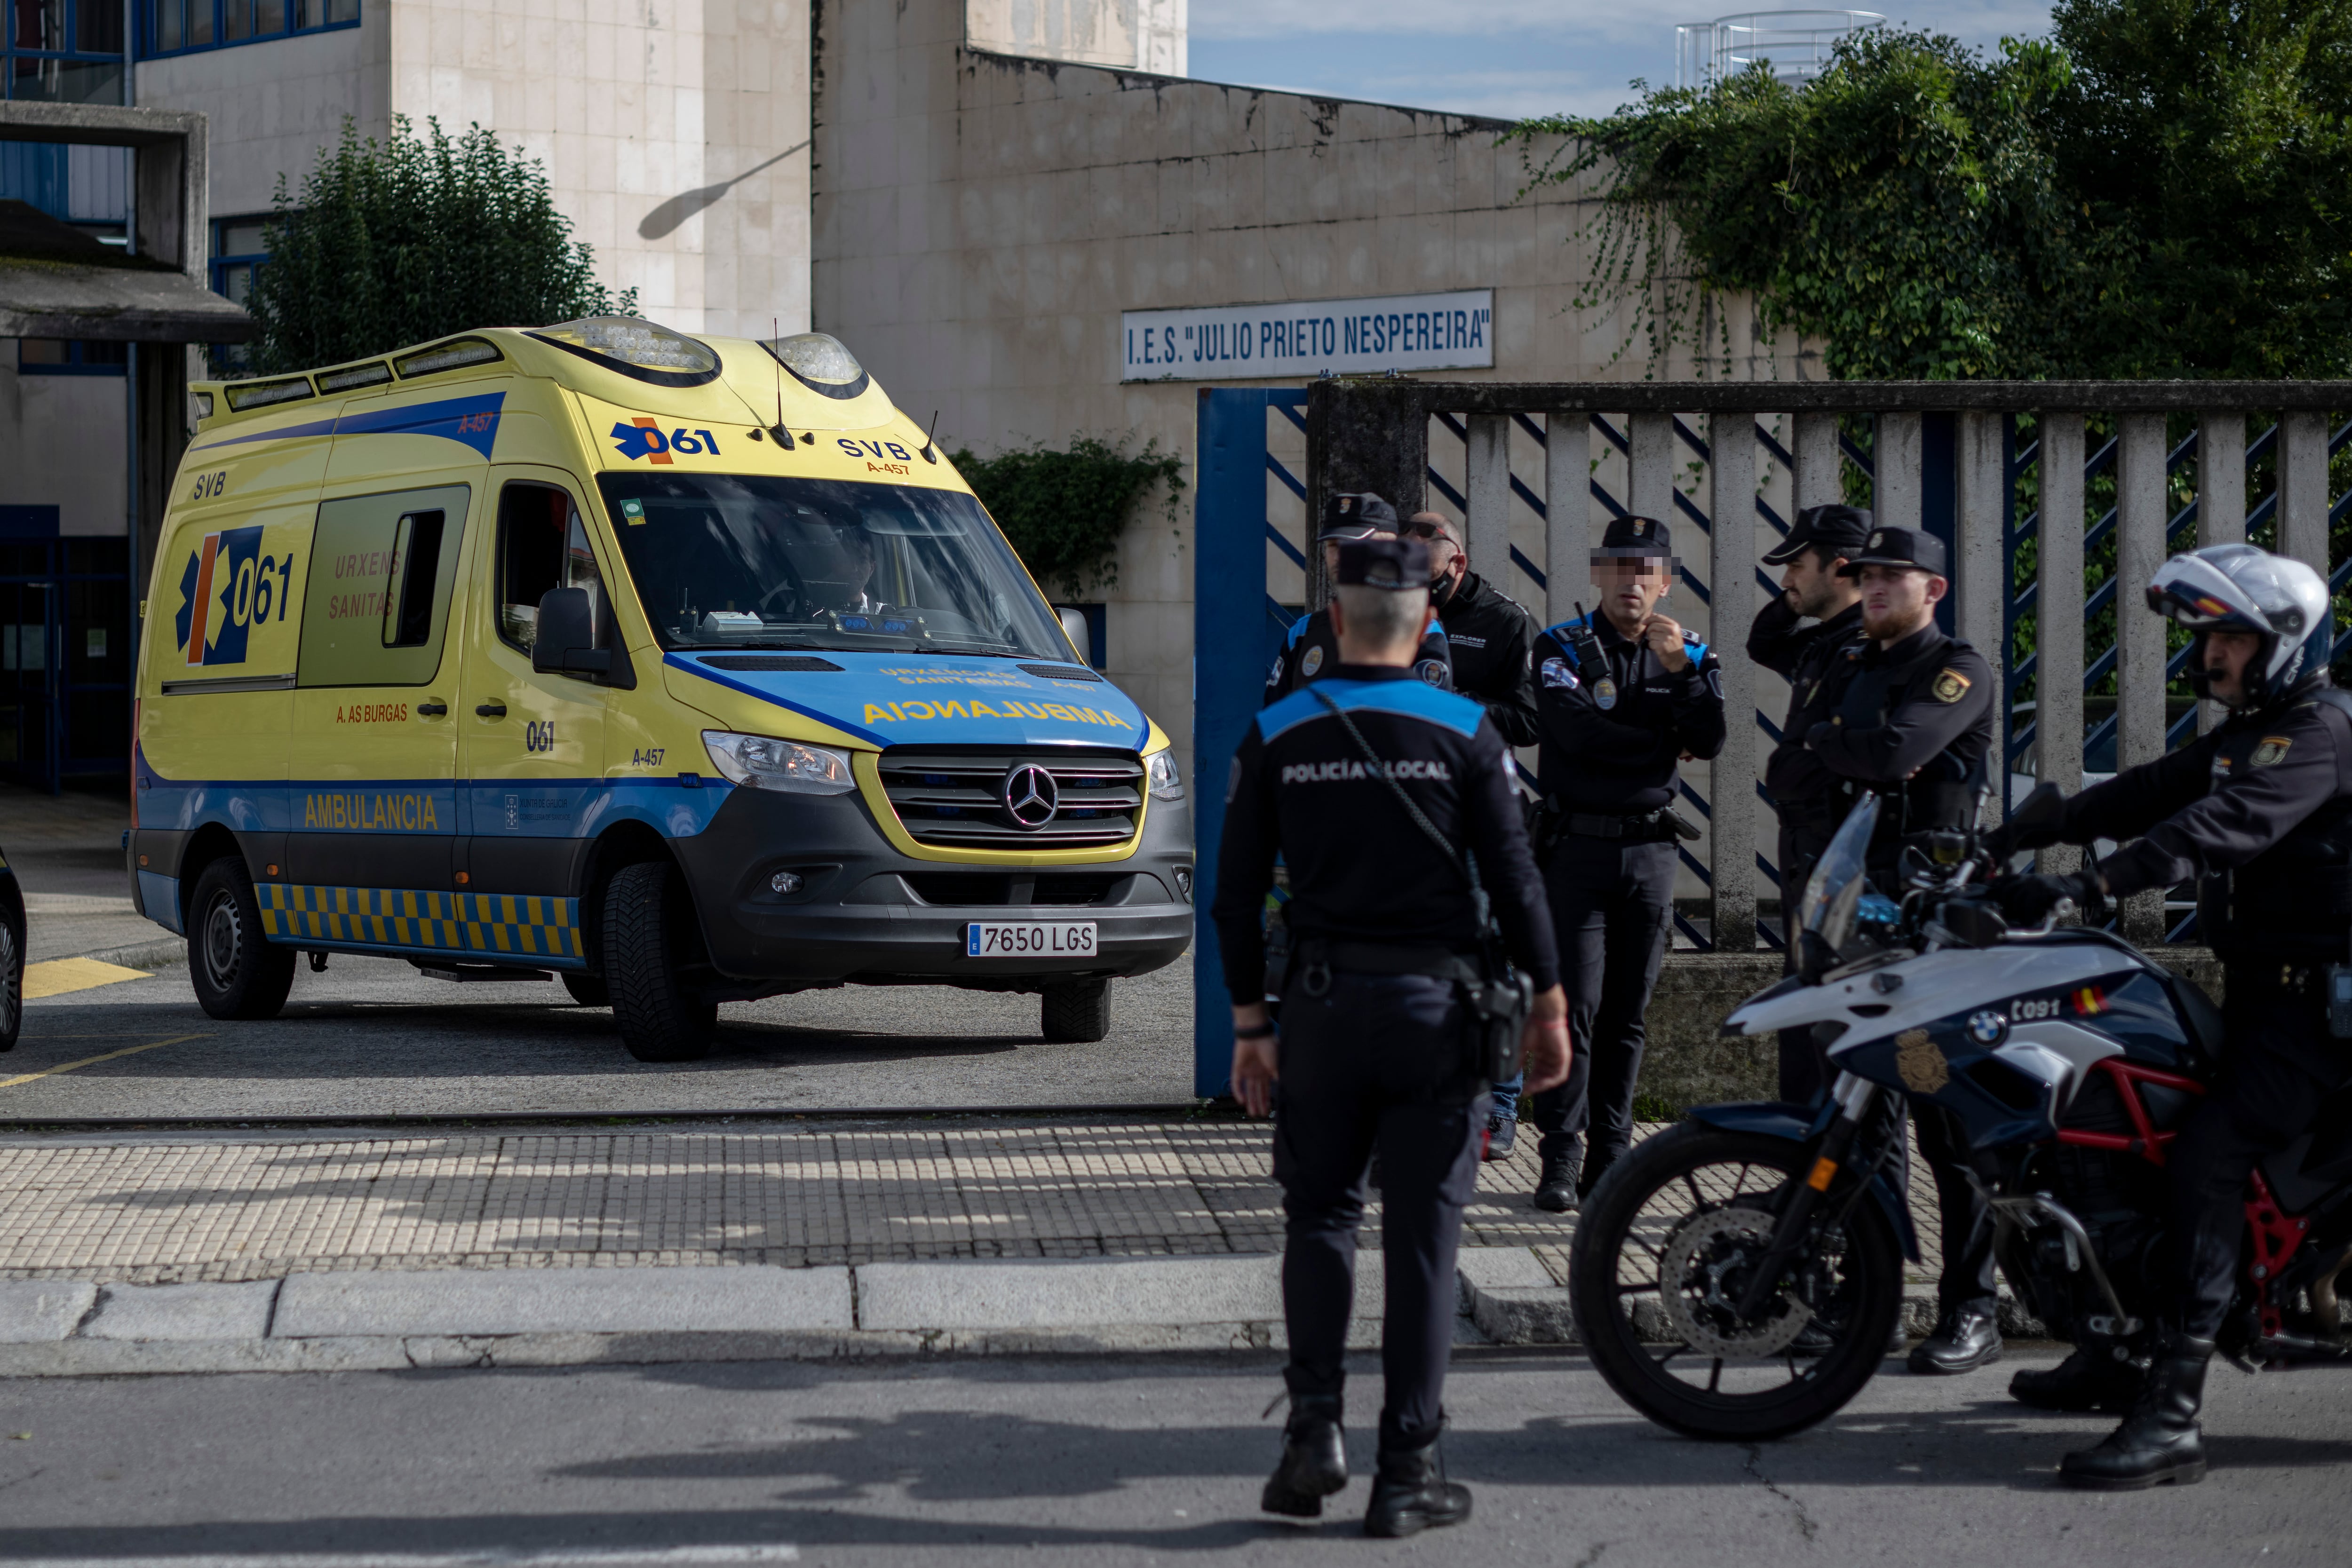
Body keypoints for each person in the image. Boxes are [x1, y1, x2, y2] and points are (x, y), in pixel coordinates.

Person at [1213, 534, 1571, 1537]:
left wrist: (1250, 1022)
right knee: (1422, 1239)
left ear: (1333, 621)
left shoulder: (1277, 731)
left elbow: (1234, 899)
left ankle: (1312, 1432)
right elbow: (1516, 880)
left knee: (1320, 1216)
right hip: (1439, 1017)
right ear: (1425, 627)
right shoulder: (1466, 730)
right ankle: (1406, 1469)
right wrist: (1548, 1008)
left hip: (1322, 1013)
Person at [1989, 542, 2352, 1490]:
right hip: (2269, 989)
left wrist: (2092, 883)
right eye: (2207, 635)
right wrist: (2032, 824)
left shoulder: (2317, 732)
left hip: (2318, 1013)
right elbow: (2154, 788)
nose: (2210, 655)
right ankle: (2114, 1345)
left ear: (2281, 639)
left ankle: (2174, 1413)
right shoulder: (2255, 728)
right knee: (2112, 1118)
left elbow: (2218, 826)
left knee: (2206, 1153)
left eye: (2227, 634)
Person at [1799, 523, 2004, 1378]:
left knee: (1947, 1124)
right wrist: (1851, 751)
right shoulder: (1848, 663)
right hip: (1859, 919)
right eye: (1867, 577)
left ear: (1934, 589)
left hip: (1935, 927)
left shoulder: (1957, 667)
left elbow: (1897, 751)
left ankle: (1973, 1304)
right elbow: (1791, 766)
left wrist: (1843, 749)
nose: (1876, 588)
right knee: (1862, 1118)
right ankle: (1862, 1294)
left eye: (1894, 578)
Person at [1521, 515, 1725, 1212]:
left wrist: (1679, 680)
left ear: (1666, 581)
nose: (1631, 580)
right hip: (1576, 850)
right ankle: (1559, 1155)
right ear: (1598, 574)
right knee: (1572, 1009)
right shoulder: (1560, 647)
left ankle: (1610, 1154)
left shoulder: (1689, 651)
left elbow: (1713, 736)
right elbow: (1577, 736)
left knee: (1627, 1014)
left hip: (1650, 852)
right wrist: (1663, 741)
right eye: (1618, 566)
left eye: (1645, 568)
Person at [1402, 510, 1543, 1160]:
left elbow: (1532, 717)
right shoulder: (1396, 613)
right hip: (1411, 815)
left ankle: (1502, 1105)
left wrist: (1455, 703)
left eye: (1421, 557)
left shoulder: (1506, 622)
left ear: (1456, 559)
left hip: (1481, 814)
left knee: (1492, 963)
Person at [1748, 503, 1871, 1105]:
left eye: (1796, 564)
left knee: (1835, 1017)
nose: (1785, 577)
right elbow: (1761, 639)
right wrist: (1798, 596)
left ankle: (1837, 1183)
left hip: (1839, 853)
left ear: (1840, 567)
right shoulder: (1820, 645)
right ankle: (1803, 1170)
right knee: (1803, 1004)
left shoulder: (1866, 651)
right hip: (1804, 851)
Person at [1267, 494, 1453, 703]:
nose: (1339, 557)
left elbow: (1431, 718)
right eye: (1333, 546)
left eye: (1352, 545)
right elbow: (1275, 714)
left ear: (1389, 546)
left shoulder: (1426, 633)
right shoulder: (1302, 632)